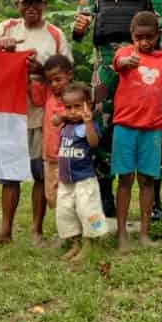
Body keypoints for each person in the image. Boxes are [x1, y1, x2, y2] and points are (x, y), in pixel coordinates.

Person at [72, 0, 162, 220]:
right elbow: (78, 28)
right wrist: (78, 28)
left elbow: (161, 26)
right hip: (105, 66)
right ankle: (105, 196)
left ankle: (154, 201)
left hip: (142, 66)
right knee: (103, 127)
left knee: (148, 125)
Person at [0, 0, 73, 246]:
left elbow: (65, 70)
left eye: (36, 2)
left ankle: (36, 231)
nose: (31, 7)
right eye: (26, 2)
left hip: (42, 110)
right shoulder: (8, 27)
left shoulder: (54, 35)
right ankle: (5, 230)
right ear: (17, 5)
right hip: (10, 109)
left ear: (44, 5)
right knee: (9, 173)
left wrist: (40, 67)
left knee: (39, 173)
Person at [110, 11, 162, 253]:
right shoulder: (125, 54)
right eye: (139, 37)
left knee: (147, 181)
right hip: (125, 128)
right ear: (132, 35)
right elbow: (118, 63)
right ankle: (122, 234)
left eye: (149, 37)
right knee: (124, 180)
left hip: (152, 130)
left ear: (157, 35)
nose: (144, 42)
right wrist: (125, 62)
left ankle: (145, 232)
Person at [54, 81, 107, 261]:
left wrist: (89, 121)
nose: (73, 111)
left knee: (88, 210)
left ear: (88, 105)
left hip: (84, 179)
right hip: (66, 180)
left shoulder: (87, 126)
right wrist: (62, 116)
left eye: (78, 106)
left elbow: (93, 143)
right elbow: (54, 120)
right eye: (68, 107)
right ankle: (75, 242)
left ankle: (90, 243)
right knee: (65, 212)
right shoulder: (65, 126)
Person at [30, 54, 74, 216]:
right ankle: (65, 231)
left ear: (69, 75)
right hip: (50, 158)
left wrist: (64, 115)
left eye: (58, 79)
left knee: (71, 196)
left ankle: (74, 234)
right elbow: (35, 96)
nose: (54, 85)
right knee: (53, 197)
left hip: (70, 157)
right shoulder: (49, 94)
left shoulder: (77, 97)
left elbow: (82, 114)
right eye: (50, 81)